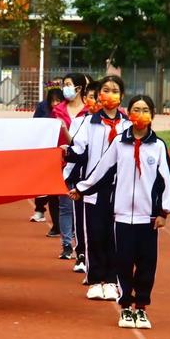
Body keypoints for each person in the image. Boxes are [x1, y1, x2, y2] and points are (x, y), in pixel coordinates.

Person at [70, 95, 170, 329]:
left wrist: (163, 212)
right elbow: (101, 170)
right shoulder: (119, 142)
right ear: (130, 113)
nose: (140, 114)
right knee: (123, 263)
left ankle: (142, 308)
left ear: (152, 115)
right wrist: (80, 188)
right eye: (136, 109)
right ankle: (126, 307)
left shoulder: (157, 146)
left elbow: (166, 181)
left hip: (148, 218)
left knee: (147, 264)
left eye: (145, 109)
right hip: (123, 216)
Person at [65, 75, 131, 300]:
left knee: (115, 235)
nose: (109, 95)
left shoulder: (128, 125)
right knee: (94, 233)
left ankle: (112, 280)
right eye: (105, 90)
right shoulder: (88, 123)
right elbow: (80, 152)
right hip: (92, 188)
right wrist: (66, 151)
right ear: (99, 94)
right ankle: (95, 279)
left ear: (121, 96)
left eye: (114, 91)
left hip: (119, 189)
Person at [64, 81, 101, 273]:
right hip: (82, 178)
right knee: (81, 217)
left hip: (104, 180)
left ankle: (99, 256)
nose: (95, 100)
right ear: (85, 98)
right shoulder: (80, 122)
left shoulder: (117, 123)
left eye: (98, 96)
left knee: (100, 219)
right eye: (91, 96)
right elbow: (76, 151)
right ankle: (81, 254)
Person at [51, 73, 88, 260]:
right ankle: (66, 243)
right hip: (62, 163)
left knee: (82, 207)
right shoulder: (58, 110)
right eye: (64, 84)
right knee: (65, 206)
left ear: (79, 88)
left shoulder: (90, 111)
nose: (64, 88)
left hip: (83, 165)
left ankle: (82, 245)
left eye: (68, 84)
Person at [30, 86, 64, 238]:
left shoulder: (68, 114)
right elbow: (35, 127)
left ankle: (67, 226)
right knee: (52, 193)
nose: (55, 104)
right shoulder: (43, 109)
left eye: (58, 101)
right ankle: (56, 225)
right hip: (50, 156)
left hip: (66, 156)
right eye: (53, 101)